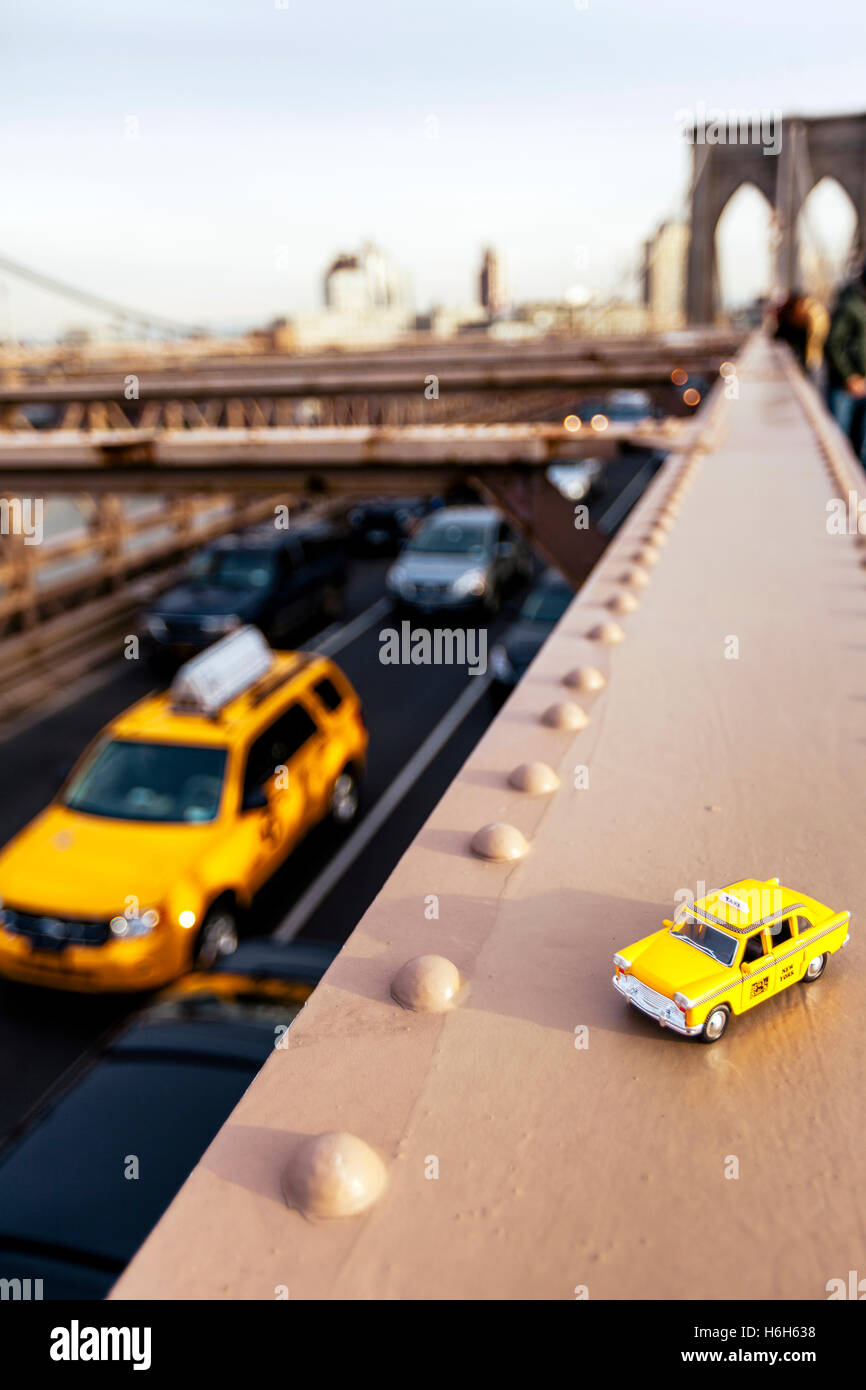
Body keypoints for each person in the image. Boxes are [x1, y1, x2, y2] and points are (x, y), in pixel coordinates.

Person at [825, 263, 866, 462]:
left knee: (858, 448)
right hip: (845, 387)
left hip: (862, 384)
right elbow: (833, 344)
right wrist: (850, 376)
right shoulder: (850, 306)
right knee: (838, 447)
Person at [773, 290, 829, 378]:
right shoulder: (796, 319)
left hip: (814, 360)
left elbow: (815, 340)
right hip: (812, 359)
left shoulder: (812, 314)